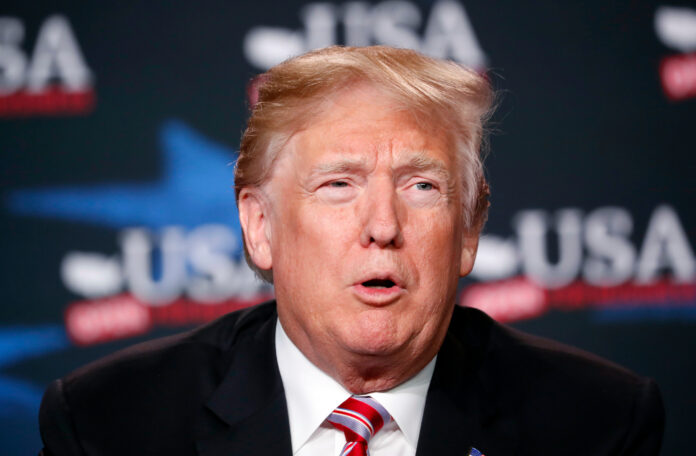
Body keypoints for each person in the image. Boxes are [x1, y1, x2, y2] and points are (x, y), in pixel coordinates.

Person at [39, 46, 664, 456]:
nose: (383, 226)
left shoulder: (598, 423)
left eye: (422, 187)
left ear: (469, 229)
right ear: (260, 226)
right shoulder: (108, 425)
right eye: (339, 185)